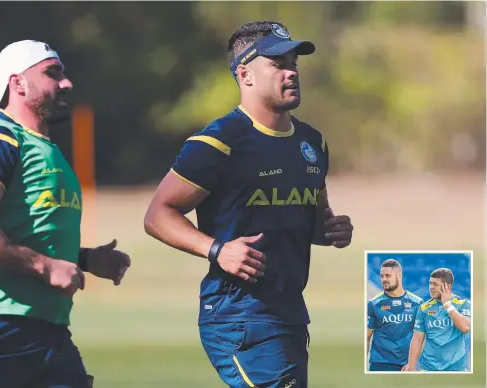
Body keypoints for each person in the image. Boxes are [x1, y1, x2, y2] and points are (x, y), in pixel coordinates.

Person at [144, 21, 353, 388]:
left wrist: (332, 229)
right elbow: (158, 215)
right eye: (277, 63)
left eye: (294, 62)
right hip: (238, 315)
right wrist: (216, 249)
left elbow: (311, 217)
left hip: (289, 313)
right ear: (245, 74)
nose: (291, 72)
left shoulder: (312, 143)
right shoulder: (218, 142)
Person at [0, 40, 131, 388]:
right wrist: (46, 267)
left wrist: (84, 259)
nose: (66, 83)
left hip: (49, 332)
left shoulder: (44, 148)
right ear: (18, 84)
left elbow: (23, 233)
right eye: (52, 73)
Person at [404, 268, 471, 372]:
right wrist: (411, 366)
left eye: (435, 284)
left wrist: (447, 304)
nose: (431, 287)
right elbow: (417, 339)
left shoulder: (463, 304)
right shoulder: (424, 308)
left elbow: (465, 327)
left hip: (457, 370)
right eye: (430, 283)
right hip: (428, 369)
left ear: (447, 286)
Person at [366, 259, 423, 372]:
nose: (384, 279)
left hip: (406, 364)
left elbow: (421, 337)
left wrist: (412, 364)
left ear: (399, 276)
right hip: (380, 363)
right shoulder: (374, 304)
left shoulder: (417, 303)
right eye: (381, 276)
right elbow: (366, 336)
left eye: (388, 276)